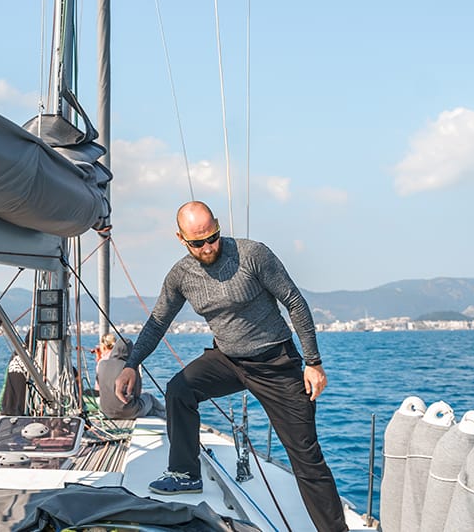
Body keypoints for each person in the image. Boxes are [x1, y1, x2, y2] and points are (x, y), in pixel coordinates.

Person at [114, 201, 348, 532]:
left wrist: (313, 363)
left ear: (219, 226)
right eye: (198, 242)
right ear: (181, 239)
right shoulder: (181, 276)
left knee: (306, 456)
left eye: (213, 237)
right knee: (179, 389)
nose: (208, 247)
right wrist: (131, 365)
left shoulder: (253, 255)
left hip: (276, 363)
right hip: (228, 359)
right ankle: (184, 473)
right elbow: (157, 323)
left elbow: (294, 301)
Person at [96, 337, 165, 419]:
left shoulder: (101, 364)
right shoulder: (130, 369)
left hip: (106, 412)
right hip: (129, 412)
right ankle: (168, 417)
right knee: (149, 398)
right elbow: (137, 394)